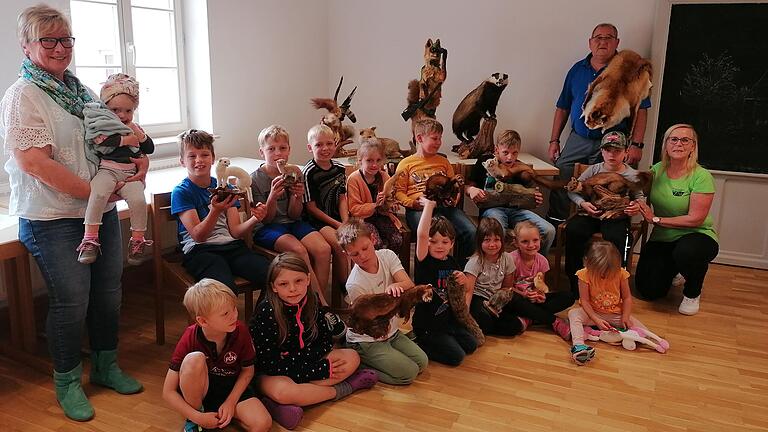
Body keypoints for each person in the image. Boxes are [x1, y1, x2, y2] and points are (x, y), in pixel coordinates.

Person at [0, 5, 143, 421]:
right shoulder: (22, 96)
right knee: (71, 300)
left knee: (109, 291)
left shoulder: (78, 90)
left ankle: (105, 366)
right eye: (49, 40)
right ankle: (67, 381)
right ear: (26, 46)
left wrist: (133, 165)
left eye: (66, 39)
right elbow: (35, 163)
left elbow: (109, 141)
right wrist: (98, 195)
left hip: (97, 209)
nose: (61, 48)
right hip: (53, 217)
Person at [250, 253, 377, 430]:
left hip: (307, 363)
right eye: (283, 284)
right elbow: (269, 363)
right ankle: (345, 388)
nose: (293, 289)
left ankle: (285, 404)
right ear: (274, 287)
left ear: (308, 279)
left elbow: (324, 342)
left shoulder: (312, 300)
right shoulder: (266, 312)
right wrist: (316, 370)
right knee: (283, 392)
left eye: (299, 281)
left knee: (352, 357)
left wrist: (315, 366)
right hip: (274, 373)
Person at [547, 23, 651, 224]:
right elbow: (562, 107)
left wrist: (637, 145)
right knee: (562, 170)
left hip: (614, 142)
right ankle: (557, 223)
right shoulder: (577, 70)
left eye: (608, 38)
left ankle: (598, 224)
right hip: (579, 137)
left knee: (606, 183)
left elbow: (641, 109)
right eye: (598, 38)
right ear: (590, 42)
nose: (602, 42)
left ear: (617, 42)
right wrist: (554, 141)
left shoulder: (630, 71)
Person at [162, 279, 271, 432]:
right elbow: (168, 392)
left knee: (262, 423)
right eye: (225, 313)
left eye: (234, 308)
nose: (234, 315)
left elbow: (248, 370)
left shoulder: (241, 331)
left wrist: (231, 402)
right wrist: (196, 416)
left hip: (232, 388)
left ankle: (223, 415)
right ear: (203, 321)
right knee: (194, 359)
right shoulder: (190, 336)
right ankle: (197, 420)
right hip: (201, 391)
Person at [171, 129, 270, 294]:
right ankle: (227, 319)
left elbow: (236, 232)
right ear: (182, 161)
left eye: (204, 155)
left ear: (213, 159)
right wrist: (215, 211)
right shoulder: (182, 192)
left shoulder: (227, 188)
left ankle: (263, 317)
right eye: (192, 156)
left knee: (272, 276)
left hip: (232, 246)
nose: (199, 160)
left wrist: (255, 218)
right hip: (200, 251)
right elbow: (198, 236)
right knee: (223, 288)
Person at [635, 124, 719, 315]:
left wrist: (655, 219)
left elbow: (695, 220)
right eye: (673, 139)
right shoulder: (656, 170)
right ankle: (676, 268)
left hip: (696, 235)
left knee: (688, 252)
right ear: (666, 145)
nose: (678, 144)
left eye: (685, 140)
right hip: (663, 238)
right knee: (648, 291)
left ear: (693, 146)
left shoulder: (701, 176)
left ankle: (692, 292)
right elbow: (638, 190)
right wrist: (636, 204)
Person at [338, 220, 429, 385]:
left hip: (391, 332)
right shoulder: (355, 284)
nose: (363, 256)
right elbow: (369, 323)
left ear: (373, 239)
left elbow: (408, 284)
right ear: (347, 254)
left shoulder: (387, 255)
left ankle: (383, 355)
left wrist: (396, 285)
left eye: (365, 248)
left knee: (422, 362)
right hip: (368, 339)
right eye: (355, 254)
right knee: (408, 374)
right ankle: (360, 364)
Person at [250, 124, 331, 305]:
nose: (278, 153)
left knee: (323, 249)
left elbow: (294, 215)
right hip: (267, 227)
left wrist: (297, 196)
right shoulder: (255, 179)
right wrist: (272, 197)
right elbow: (266, 218)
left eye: (282, 148)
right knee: (299, 251)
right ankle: (320, 306)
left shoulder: (294, 172)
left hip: (291, 222)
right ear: (261, 152)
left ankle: (318, 302)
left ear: (289, 150)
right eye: (271, 149)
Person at [78, 73, 154, 265]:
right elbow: (102, 144)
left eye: (128, 111)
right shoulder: (103, 126)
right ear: (106, 109)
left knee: (138, 199)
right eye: (115, 110)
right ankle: (90, 238)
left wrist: (140, 136)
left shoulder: (134, 126)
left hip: (130, 174)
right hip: (108, 170)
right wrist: (126, 139)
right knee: (98, 193)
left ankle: (137, 240)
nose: (122, 115)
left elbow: (149, 148)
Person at [564, 131, 645, 296]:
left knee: (617, 238)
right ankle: (576, 282)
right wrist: (583, 203)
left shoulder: (631, 175)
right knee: (574, 230)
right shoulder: (593, 170)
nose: (612, 154)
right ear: (602, 152)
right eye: (608, 150)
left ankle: (613, 283)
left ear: (626, 152)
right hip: (591, 212)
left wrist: (636, 206)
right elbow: (572, 191)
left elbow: (640, 197)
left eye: (617, 151)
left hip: (616, 216)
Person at [394, 118, 476, 264]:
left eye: (440, 138)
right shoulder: (406, 164)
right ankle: (428, 272)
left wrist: (454, 198)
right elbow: (399, 192)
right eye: (435, 138)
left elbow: (454, 187)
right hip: (419, 208)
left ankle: (458, 268)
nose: (439, 142)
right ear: (419, 138)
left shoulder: (443, 162)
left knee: (470, 231)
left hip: (445, 206)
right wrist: (413, 204)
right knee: (430, 233)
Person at [466, 129, 555, 255]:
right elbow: (468, 186)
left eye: (514, 153)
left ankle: (535, 265)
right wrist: (471, 190)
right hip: (492, 209)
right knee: (497, 231)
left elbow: (527, 194)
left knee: (549, 230)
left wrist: (535, 199)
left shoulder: (520, 167)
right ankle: (498, 267)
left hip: (517, 210)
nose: (510, 157)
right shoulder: (485, 161)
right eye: (505, 152)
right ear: (496, 150)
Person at [412, 197, 477, 365]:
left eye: (444, 242)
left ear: (451, 243)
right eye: (433, 242)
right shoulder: (424, 260)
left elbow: (466, 288)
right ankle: (420, 343)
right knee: (457, 357)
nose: (439, 246)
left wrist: (463, 280)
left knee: (471, 345)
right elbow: (422, 234)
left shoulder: (452, 261)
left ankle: (445, 338)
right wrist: (429, 205)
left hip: (447, 322)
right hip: (427, 326)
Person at [567, 240, 651, 365]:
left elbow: (627, 298)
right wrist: (595, 319)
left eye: (608, 273)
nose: (604, 276)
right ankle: (579, 346)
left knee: (643, 333)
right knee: (573, 314)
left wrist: (626, 316)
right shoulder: (583, 275)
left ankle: (603, 333)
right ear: (587, 264)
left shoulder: (622, 274)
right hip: (593, 313)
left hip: (615, 314)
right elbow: (584, 301)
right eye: (600, 273)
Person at [301, 124, 350, 293]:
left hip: (337, 218)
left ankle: (350, 287)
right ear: (310, 148)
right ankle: (343, 291)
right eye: (319, 145)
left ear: (335, 144)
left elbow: (342, 197)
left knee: (354, 241)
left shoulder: (339, 168)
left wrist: (345, 221)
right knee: (340, 244)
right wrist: (338, 225)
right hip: (316, 221)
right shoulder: (308, 172)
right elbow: (311, 208)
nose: (325, 148)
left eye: (329, 143)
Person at [507, 221, 574, 340]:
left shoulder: (542, 261)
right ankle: (554, 322)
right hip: (518, 298)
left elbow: (539, 285)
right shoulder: (511, 259)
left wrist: (540, 295)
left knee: (568, 296)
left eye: (535, 240)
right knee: (513, 300)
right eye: (525, 241)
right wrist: (524, 294)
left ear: (540, 240)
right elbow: (507, 288)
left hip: (531, 300)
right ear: (516, 243)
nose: (531, 245)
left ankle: (530, 318)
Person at [466, 218, 528, 336]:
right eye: (487, 240)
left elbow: (507, 288)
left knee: (516, 319)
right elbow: (468, 292)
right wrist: (465, 316)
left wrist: (499, 303)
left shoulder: (507, 258)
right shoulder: (475, 262)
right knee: (484, 320)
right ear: (479, 242)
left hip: (496, 299)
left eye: (496, 240)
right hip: (478, 299)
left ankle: (545, 319)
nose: (492, 244)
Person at [346, 138, 404, 252]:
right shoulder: (354, 179)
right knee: (376, 243)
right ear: (360, 160)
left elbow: (389, 200)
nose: (374, 165)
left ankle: (388, 265)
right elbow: (354, 209)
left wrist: (391, 205)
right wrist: (374, 205)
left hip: (381, 216)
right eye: (369, 160)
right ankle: (374, 268)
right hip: (363, 220)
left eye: (378, 160)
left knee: (397, 240)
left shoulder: (384, 176)